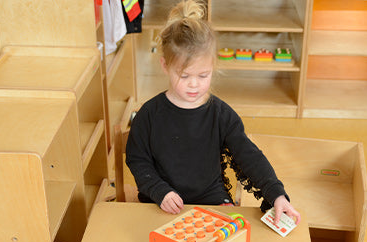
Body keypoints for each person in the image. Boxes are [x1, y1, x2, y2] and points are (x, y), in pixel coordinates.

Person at [124, 0, 300, 226]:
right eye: (184, 76)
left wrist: (276, 194)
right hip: (161, 201)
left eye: (203, 75)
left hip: (212, 200)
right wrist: (160, 191)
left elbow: (249, 156)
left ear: (213, 68)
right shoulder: (148, 114)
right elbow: (138, 160)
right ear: (165, 65)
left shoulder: (222, 114)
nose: (193, 85)